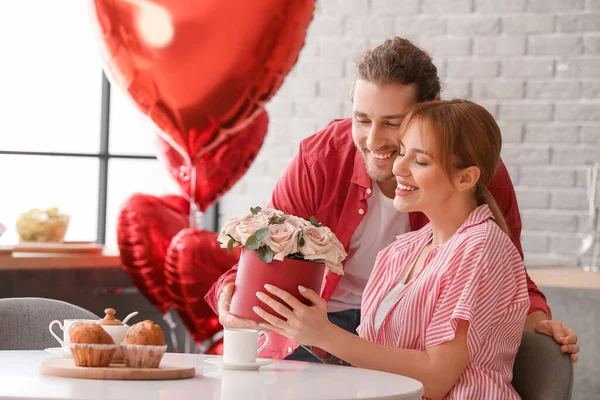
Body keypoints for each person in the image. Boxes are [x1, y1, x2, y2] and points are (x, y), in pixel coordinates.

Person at [205, 37, 580, 363]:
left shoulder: (472, 173)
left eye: (393, 122)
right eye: (362, 119)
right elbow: (265, 254)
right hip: (319, 322)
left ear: (431, 109)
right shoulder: (319, 159)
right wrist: (229, 295)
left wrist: (538, 324)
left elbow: (504, 271)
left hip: (409, 337)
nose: (373, 140)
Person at [253, 99, 529, 399]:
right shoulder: (401, 252)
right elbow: (370, 358)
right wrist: (310, 332)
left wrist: (326, 334)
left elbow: (437, 379)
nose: (398, 167)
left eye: (420, 161)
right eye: (402, 153)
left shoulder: (481, 247)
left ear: (465, 178)